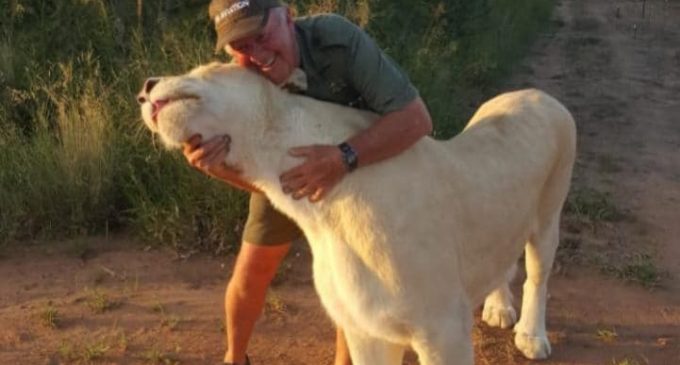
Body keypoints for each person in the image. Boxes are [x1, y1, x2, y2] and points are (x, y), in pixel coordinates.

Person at [183, 0, 433, 364]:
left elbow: (416, 120)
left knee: (353, 276)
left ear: (287, 16)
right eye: (241, 45)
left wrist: (342, 158)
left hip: (357, 170)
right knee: (253, 269)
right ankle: (234, 358)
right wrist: (212, 165)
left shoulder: (336, 39)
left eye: (261, 35)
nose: (256, 53)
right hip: (288, 178)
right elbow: (259, 180)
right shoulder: (240, 77)